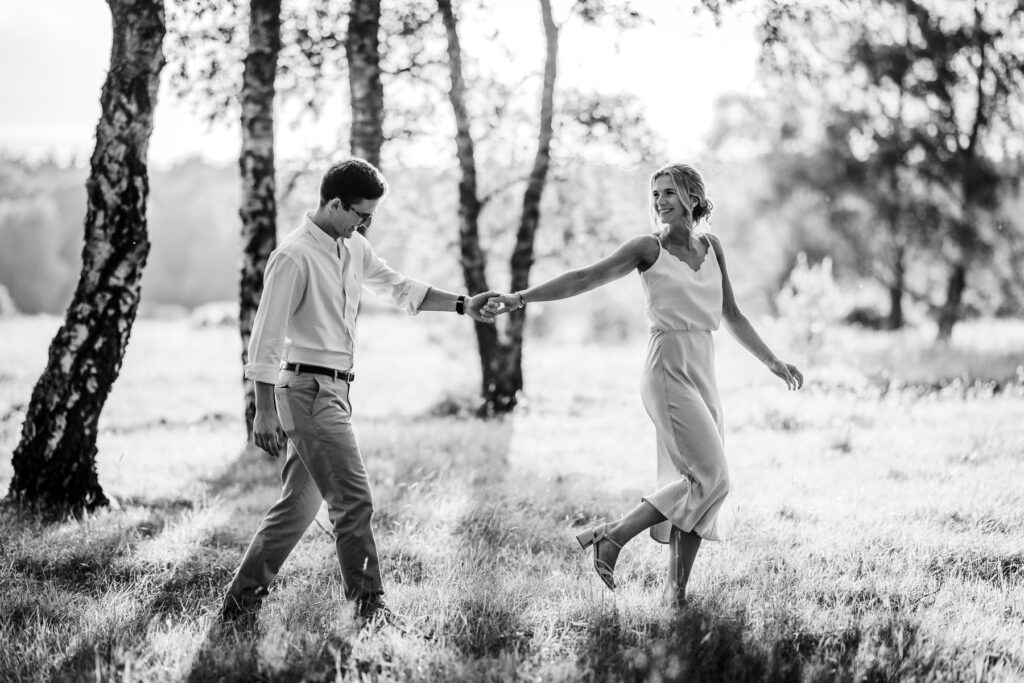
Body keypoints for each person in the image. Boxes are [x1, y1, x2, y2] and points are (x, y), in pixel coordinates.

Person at [490, 163, 803, 606]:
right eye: (655, 194)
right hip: (667, 368)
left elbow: (731, 313)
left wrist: (772, 360)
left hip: (703, 366)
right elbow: (584, 277)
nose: (660, 201)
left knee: (697, 484)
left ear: (693, 197)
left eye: (669, 192)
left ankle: (674, 597)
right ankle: (613, 536)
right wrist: (520, 299)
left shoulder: (712, 246)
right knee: (712, 477)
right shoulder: (647, 248)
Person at [221, 158, 501, 626]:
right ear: (334, 203)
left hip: (335, 391)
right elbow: (265, 339)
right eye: (360, 213)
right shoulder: (293, 255)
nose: (365, 223)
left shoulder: (352, 247)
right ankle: (369, 610)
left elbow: (397, 286)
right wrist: (263, 411)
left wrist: (461, 304)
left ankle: (238, 605)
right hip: (306, 390)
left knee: (298, 507)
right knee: (354, 500)